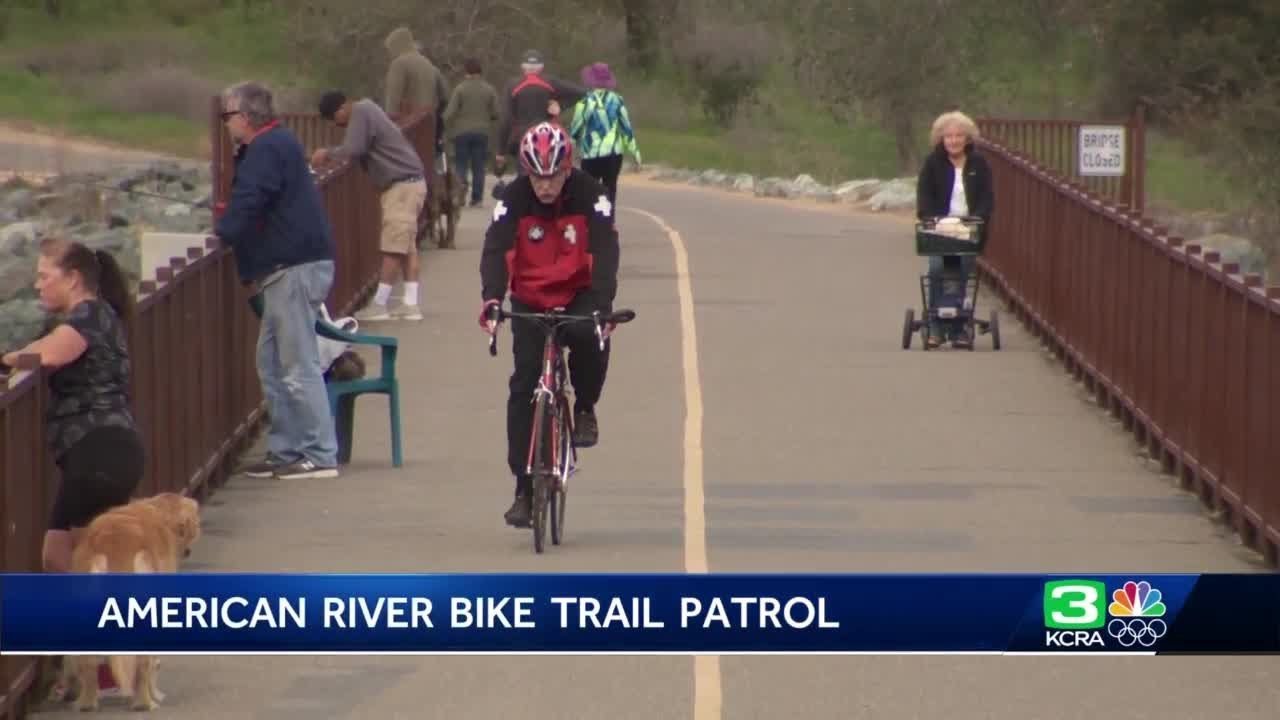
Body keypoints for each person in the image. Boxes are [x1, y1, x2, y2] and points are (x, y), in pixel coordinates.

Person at [2, 238, 142, 698]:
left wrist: (8, 360)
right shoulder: (89, 316)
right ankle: (92, 659)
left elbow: (51, 354)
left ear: (74, 279)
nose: (38, 284)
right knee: (57, 557)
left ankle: (107, 667)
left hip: (100, 453)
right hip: (96, 453)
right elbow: (45, 345)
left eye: (45, 275)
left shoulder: (89, 315)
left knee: (88, 567)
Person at [478, 122, 620, 528]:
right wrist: (492, 298)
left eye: (553, 176)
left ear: (568, 168)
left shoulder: (592, 194)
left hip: (579, 291)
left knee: (589, 334)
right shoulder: (513, 199)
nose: (545, 186)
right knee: (524, 385)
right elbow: (496, 248)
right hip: (530, 296)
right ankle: (524, 489)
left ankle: (586, 406)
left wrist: (603, 304)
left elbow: (606, 249)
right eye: (537, 176)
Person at [215, 81, 340, 480]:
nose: (226, 125)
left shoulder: (266, 149)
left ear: (246, 117)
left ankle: (320, 454)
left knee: (297, 362)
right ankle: (286, 448)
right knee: (270, 361)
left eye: (228, 116)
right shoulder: (275, 145)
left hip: (293, 267)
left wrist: (223, 231)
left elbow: (251, 200)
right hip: (289, 267)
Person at [314, 90, 428, 322]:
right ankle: (411, 304)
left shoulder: (362, 111)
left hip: (401, 185)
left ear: (342, 108)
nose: (338, 125)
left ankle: (379, 304)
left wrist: (327, 153)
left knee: (393, 246)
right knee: (406, 247)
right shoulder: (369, 109)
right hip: (410, 182)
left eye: (335, 120)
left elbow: (354, 148)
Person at [915, 110, 994, 349]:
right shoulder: (933, 163)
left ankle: (960, 328)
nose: (954, 140)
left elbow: (986, 197)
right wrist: (931, 218)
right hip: (940, 227)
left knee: (962, 272)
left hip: (968, 228)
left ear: (967, 138)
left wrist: (978, 218)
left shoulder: (979, 164)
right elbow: (924, 196)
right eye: (948, 136)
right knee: (938, 269)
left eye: (959, 136)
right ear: (941, 139)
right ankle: (937, 328)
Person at [496, 50, 587, 177]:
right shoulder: (550, 82)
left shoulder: (512, 85)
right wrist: (560, 105)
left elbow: (505, 120)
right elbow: (582, 93)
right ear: (542, 67)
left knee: (525, 178)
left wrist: (501, 151)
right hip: (547, 137)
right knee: (548, 175)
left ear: (522, 67)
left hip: (523, 138)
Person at [569, 62, 641, 206]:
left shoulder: (584, 103)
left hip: (591, 154)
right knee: (610, 188)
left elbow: (576, 130)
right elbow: (626, 128)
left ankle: (592, 221)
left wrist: (571, 149)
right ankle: (609, 222)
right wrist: (635, 151)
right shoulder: (617, 100)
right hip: (614, 153)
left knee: (589, 190)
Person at [383, 25, 450, 153]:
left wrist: (388, 128)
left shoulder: (399, 63)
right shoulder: (428, 64)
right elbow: (445, 95)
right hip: (429, 125)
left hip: (407, 125)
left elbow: (393, 99)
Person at [443, 57, 500, 207]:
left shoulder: (460, 89)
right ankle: (477, 199)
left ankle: (460, 195)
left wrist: (444, 125)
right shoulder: (489, 89)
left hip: (461, 133)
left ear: (466, 71)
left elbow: (450, 113)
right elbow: (496, 113)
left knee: (461, 164)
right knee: (478, 166)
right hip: (482, 132)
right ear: (480, 71)